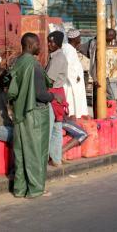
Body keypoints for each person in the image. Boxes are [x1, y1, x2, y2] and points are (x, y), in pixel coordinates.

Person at [8, 33, 61, 198]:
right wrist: (54, 96)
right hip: (34, 113)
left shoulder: (17, 63)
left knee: (21, 153)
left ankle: (20, 188)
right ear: (31, 46)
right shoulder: (34, 66)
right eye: (38, 44)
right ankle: (36, 189)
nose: (40, 47)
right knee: (36, 153)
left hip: (19, 113)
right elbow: (40, 94)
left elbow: (10, 88)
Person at [46, 31, 66, 167]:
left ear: (57, 43)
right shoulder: (56, 56)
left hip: (53, 94)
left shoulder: (57, 58)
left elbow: (49, 80)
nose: (49, 44)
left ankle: (46, 157)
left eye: (51, 42)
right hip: (59, 94)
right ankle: (56, 158)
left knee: (49, 128)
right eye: (48, 41)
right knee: (56, 128)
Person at [86, 28, 117, 116]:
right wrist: (95, 78)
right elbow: (93, 62)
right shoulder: (96, 43)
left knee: (104, 97)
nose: (113, 39)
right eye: (112, 36)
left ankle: (104, 116)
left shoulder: (105, 43)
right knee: (105, 97)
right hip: (98, 76)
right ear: (106, 35)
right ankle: (100, 117)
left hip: (105, 75)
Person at [62, 29, 88, 119]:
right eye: (79, 37)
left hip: (72, 81)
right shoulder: (69, 50)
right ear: (74, 38)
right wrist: (75, 77)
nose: (80, 39)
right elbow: (68, 65)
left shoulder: (69, 48)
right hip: (71, 82)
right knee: (72, 100)